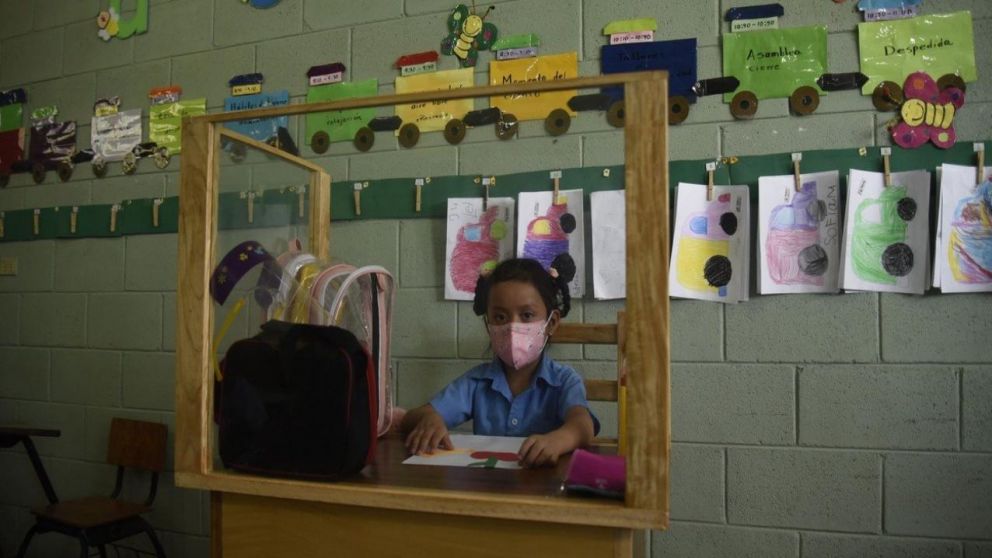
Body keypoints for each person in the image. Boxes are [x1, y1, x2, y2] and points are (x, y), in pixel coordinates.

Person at [401, 258, 599, 467]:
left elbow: (583, 426)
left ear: (552, 323)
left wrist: (557, 441)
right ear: (488, 325)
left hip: (545, 491)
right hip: (490, 488)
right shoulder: (477, 382)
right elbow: (411, 418)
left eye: (527, 315)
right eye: (500, 317)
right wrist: (431, 419)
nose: (513, 327)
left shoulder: (564, 380)